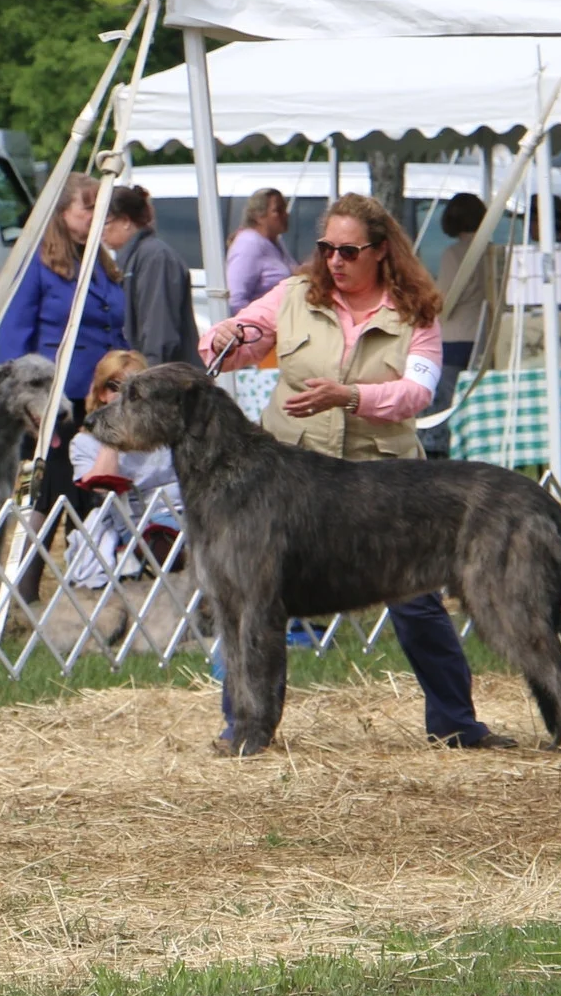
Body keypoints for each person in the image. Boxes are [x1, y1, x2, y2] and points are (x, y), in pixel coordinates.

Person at [201, 192, 514, 749]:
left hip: (382, 483)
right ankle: (243, 727)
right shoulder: (294, 294)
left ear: (381, 251)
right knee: (251, 602)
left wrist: (350, 396)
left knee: (416, 603)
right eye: (326, 248)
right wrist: (223, 337)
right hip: (291, 483)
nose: (335, 261)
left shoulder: (416, 309)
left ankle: (456, 724)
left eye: (349, 250)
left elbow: (417, 392)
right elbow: (241, 340)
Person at [0, 173, 127, 528]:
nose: (96, 215)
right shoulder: (35, 263)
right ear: (61, 212)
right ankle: (22, 582)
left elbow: (114, 329)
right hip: (53, 405)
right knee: (43, 499)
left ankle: (83, 580)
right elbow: (13, 337)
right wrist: (24, 406)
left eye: (100, 207)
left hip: (100, 403)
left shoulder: (101, 263)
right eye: (88, 207)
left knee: (90, 506)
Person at [66, 349, 182, 588]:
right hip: (141, 524)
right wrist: (112, 434)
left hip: (189, 513)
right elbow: (99, 485)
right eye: (114, 386)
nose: (122, 394)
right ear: (100, 393)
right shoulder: (85, 443)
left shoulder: (168, 429)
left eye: (133, 386)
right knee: (160, 538)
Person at [421, 191, 489, 458]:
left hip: (454, 339)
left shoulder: (454, 253)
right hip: (482, 336)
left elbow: (445, 301)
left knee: (446, 405)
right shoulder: (491, 250)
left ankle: (441, 454)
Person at [102, 185, 200, 367]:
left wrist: (148, 381)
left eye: (105, 223)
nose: (100, 232)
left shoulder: (155, 257)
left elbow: (159, 331)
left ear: (125, 220)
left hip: (165, 380)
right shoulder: (135, 258)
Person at [226, 188, 294, 311]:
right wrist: (256, 325)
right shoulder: (248, 244)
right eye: (278, 210)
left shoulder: (276, 242)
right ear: (259, 216)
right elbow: (236, 299)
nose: (286, 214)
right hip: (261, 325)